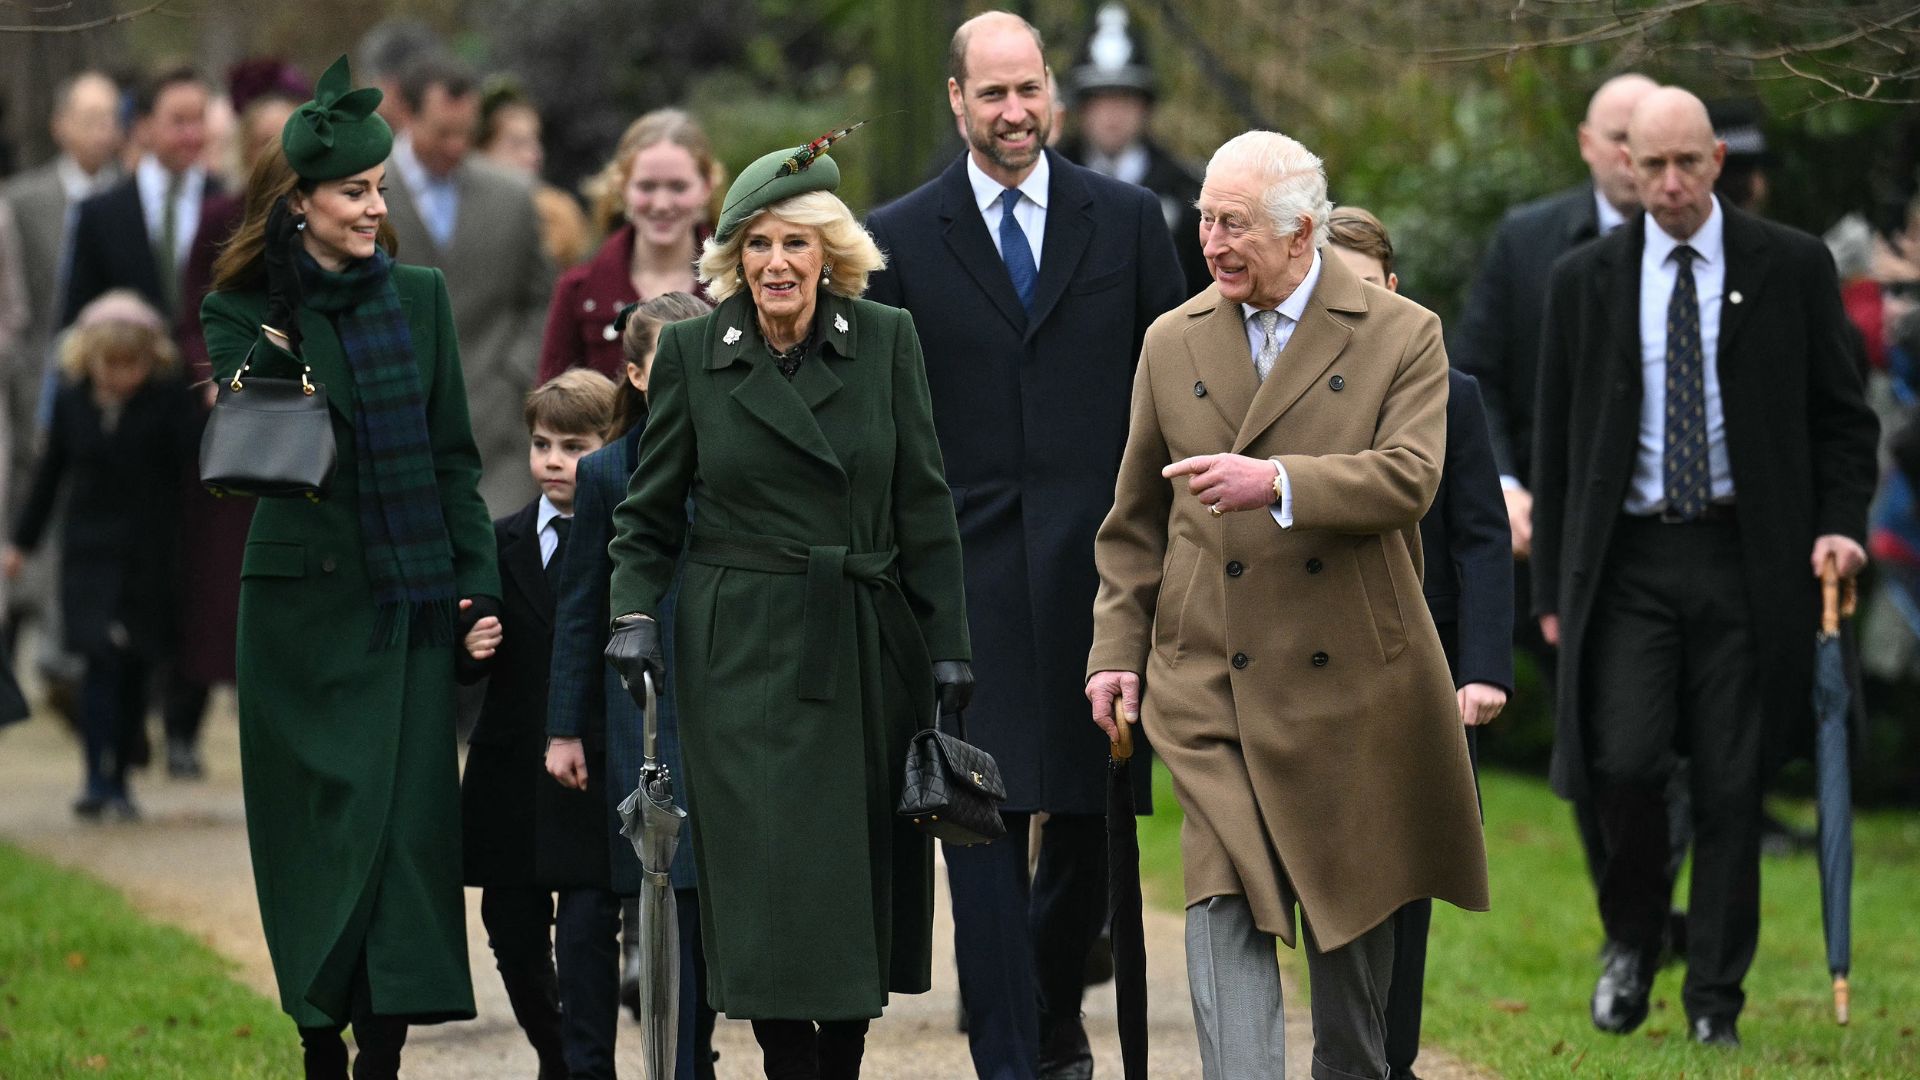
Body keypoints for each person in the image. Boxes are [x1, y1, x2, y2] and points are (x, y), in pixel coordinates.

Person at [1085, 130, 1488, 1080]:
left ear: (1302, 233)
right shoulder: (1171, 338)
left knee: (1351, 946)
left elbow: (1409, 479)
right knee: (1220, 903)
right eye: (1205, 219)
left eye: (1235, 224)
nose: (1212, 241)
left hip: (1352, 680)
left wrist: (1276, 482)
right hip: (1209, 678)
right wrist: (1115, 652)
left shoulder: (1403, 333)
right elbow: (1135, 519)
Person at [602, 140, 971, 1080]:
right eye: (758, 244)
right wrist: (633, 615)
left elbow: (924, 503)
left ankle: (836, 1060)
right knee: (766, 886)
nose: (776, 263)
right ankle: (786, 1062)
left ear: (830, 256)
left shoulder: (887, 341)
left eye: (797, 244)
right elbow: (645, 516)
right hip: (741, 658)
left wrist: (948, 647)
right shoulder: (691, 352)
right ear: (733, 260)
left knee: (847, 885)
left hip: (861, 641)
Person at [862, 11, 1184, 1079]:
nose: (1014, 112)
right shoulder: (899, 240)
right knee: (980, 820)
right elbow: (887, 424)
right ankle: (1009, 1055)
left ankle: (1050, 1017)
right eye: (991, 93)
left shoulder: (1132, 221)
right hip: (964, 578)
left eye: (1028, 90)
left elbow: (1173, 390)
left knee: (1091, 818)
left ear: (1053, 93)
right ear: (957, 101)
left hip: (1107, 574)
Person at [1532, 86, 1879, 1048]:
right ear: (1624, 167)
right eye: (1652, 167)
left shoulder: (1791, 268)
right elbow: (1559, 447)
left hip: (1747, 559)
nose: (1672, 184)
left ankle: (1714, 1006)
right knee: (1627, 763)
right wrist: (1553, 590)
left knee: (1731, 783)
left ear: (1719, 159)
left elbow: (1845, 421)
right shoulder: (1585, 280)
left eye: (1689, 163)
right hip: (1630, 562)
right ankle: (1635, 940)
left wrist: (1840, 524)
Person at [200, 56, 500, 1078]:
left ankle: (383, 1055)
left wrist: (478, 586)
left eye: (379, 190)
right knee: (312, 838)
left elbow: (455, 458)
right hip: (296, 615)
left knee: (408, 837)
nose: (376, 207)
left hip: (404, 605)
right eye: (354, 192)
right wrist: (284, 312)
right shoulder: (241, 305)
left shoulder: (419, 299)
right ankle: (316, 1041)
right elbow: (251, 448)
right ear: (300, 205)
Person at [1327, 206, 1513, 1080]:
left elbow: (1480, 533)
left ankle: (1390, 1059)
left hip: (1421, 666)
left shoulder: (1453, 394)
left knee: (1407, 873)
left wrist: (1481, 666)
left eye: (1365, 289)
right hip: (1317, 667)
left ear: (1395, 291)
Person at [549, 291, 716, 1079]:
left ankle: (700, 1051)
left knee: (721, 893)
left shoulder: (743, 455)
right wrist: (562, 727)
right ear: (638, 373)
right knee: (668, 887)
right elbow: (581, 607)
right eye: (670, 365)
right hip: (646, 709)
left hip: (733, 695)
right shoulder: (607, 471)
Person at [459, 369, 618, 1080]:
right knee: (512, 929)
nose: (554, 461)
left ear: (613, 448)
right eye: (542, 444)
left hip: (590, 766)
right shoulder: (500, 542)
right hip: (512, 770)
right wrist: (467, 650)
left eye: (576, 446)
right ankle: (554, 1050)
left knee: (588, 930)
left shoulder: (627, 545)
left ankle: (588, 1064)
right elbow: (465, 657)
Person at [4, 290, 195, 820]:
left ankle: (120, 778)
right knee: (97, 665)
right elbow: (48, 479)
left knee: (134, 671)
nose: (118, 376)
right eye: (108, 364)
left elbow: (193, 467)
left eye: (130, 365)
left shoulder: (166, 404)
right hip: (88, 555)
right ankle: (94, 778)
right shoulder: (69, 403)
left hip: (146, 559)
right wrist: (21, 542)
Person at [383, 54, 555, 514]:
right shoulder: (367, 192)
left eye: (467, 132)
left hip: (497, 434)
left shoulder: (513, 196)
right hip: (391, 425)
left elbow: (541, 299)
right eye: (443, 132)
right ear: (408, 115)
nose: (457, 146)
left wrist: (517, 372)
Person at [538, 109, 717, 384]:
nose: (661, 204)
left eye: (678, 187)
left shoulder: (739, 284)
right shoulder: (577, 292)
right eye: (646, 186)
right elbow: (552, 411)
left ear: (706, 188)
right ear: (622, 187)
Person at [1055, 2, 1209, 297]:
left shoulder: (1187, 190)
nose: (1112, 114)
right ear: (1081, 108)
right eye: (1100, 100)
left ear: (1145, 107)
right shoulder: (1050, 180)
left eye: (1124, 98)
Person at [61, 66, 217, 326]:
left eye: (199, 119)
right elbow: (75, 319)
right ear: (144, 126)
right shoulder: (100, 214)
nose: (192, 135)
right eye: (178, 121)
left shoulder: (229, 205)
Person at [478, 78, 592, 271]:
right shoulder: (461, 210)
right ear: (482, 150)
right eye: (517, 143)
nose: (534, 154)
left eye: (535, 141)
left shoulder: (561, 213)